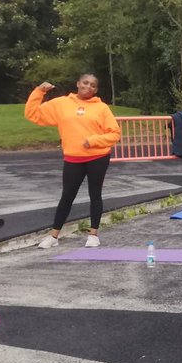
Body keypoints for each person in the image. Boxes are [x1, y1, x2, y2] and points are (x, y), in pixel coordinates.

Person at [24, 73, 122, 249]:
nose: (88, 87)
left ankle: (93, 234)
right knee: (67, 196)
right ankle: (54, 235)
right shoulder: (61, 104)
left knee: (95, 194)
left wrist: (93, 141)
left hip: (97, 157)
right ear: (77, 84)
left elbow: (115, 134)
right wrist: (39, 92)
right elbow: (32, 114)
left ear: (96, 89)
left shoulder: (102, 108)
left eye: (93, 85)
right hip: (73, 157)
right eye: (85, 83)